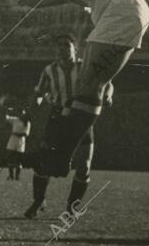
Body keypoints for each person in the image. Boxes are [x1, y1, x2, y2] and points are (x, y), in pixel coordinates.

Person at [10, 0, 148, 178]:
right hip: (117, 11)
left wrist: (42, 2)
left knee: (88, 85)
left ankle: (59, 157)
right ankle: (59, 157)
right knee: (88, 86)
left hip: (120, 9)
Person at [24, 33, 113, 219]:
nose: (62, 48)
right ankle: (38, 201)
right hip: (58, 119)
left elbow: (107, 82)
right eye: (59, 45)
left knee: (84, 166)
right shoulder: (49, 70)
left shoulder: (85, 67)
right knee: (43, 164)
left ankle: (71, 208)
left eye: (67, 45)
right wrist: (30, 110)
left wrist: (108, 95)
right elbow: (39, 93)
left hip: (82, 117)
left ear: (75, 49)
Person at [5, 108, 30, 181]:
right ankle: (11, 176)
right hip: (12, 140)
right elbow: (6, 118)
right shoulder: (15, 119)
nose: (21, 114)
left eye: (22, 113)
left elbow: (26, 134)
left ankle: (17, 176)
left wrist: (16, 133)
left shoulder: (27, 122)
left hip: (20, 141)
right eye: (20, 113)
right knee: (10, 157)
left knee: (18, 159)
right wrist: (6, 110)